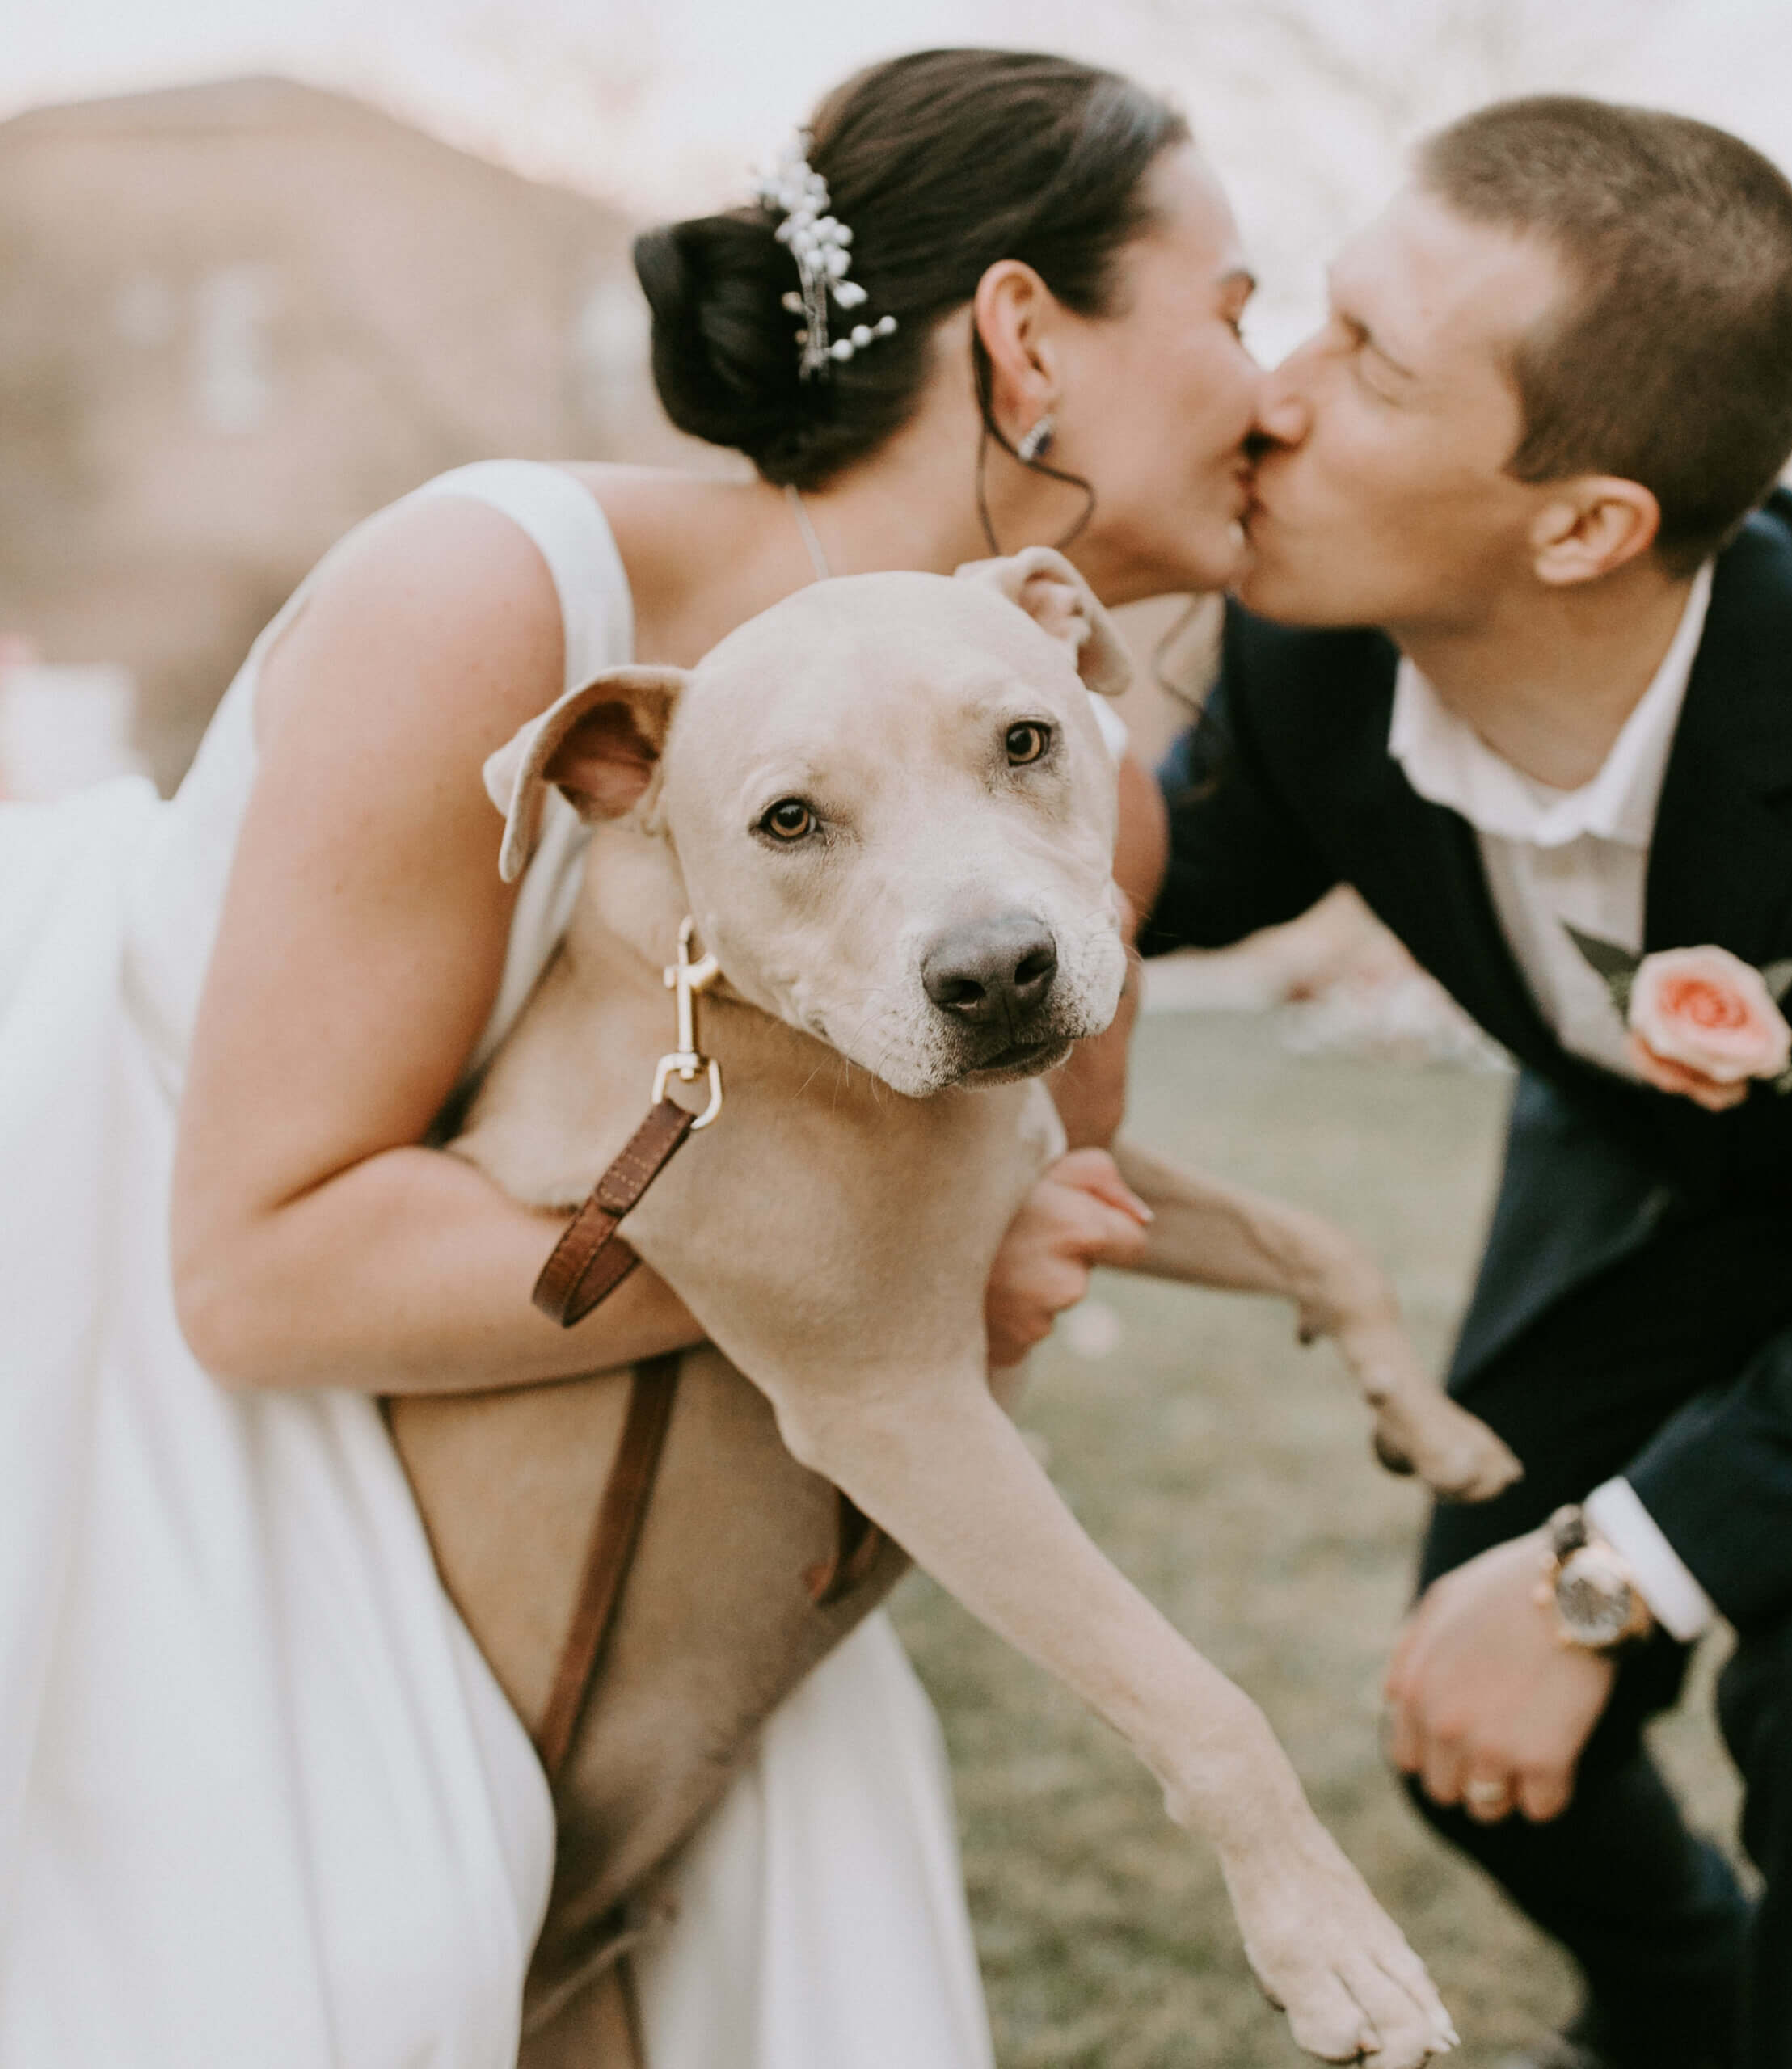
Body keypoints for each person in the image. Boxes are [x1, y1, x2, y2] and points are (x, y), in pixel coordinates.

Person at [0, 48, 1269, 2067]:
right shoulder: (500, 595)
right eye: (1235, 311)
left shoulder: (1075, 799)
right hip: (216, 1475)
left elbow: (1002, 1255)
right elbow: (260, 1268)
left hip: (687, 1524)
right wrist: (872, 1268)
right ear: (1025, 337)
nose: (1270, 393)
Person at [1141, 95, 1792, 2069]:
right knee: (1455, 1713)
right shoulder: (1306, 642)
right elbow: (1147, 878)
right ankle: (1684, 2009)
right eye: (1311, 321)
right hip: (1644, 1190)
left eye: (1366, 368)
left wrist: (1599, 1579)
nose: (1267, 400)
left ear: (1580, 523)